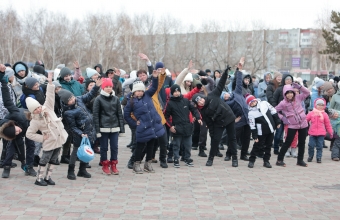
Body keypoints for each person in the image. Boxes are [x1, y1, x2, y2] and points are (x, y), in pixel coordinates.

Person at [26, 73, 68, 186]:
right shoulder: (34, 121)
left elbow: (50, 96)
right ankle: (39, 178)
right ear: (32, 111)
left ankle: (48, 177)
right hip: (49, 140)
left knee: (54, 159)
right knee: (45, 159)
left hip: (58, 138)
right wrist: (42, 138)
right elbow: (29, 134)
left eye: (38, 107)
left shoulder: (47, 107)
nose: (38, 110)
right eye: (35, 110)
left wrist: (50, 83)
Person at [192, 64, 238, 167]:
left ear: (203, 97)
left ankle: (234, 158)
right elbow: (209, 123)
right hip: (218, 123)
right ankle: (210, 159)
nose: (201, 102)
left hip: (228, 117)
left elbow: (221, 84)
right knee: (215, 140)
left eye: (201, 99)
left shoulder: (213, 95)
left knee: (232, 138)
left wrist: (225, 72)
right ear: (197, 104)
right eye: (198, 102)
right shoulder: (203, 112)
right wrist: (212, 134)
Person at [60, 78, 102, 180]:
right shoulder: (67, 112)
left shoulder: (79, 99)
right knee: (76, 152)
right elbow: (72, 127)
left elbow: (89, 95)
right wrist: (80, 133)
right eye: (69, 100)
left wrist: (96, 86)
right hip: (80, 134)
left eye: (72, 97)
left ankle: (82, 170)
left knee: (86, 150)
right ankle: (71, 171)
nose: (72, 99)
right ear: (65, 102)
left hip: (89, 131)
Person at [124, 70, 165, 174]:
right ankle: (136, 164)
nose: (140, 92)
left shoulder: (147, 95)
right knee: (140, 146)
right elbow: (126, 115)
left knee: (151, 146)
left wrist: (155, 78)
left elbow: (154, 88)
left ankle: (148, 163)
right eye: (138, 91)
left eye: (141, 90)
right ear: (133, 91)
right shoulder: (131, 102)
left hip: (153, 125)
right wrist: (134, 124)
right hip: (143, 127)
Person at [0, 64, 33, 178]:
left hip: (31, 121)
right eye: (17, 133)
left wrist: (3, 82)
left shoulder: (14, 113)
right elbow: (19, 144)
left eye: (17, 131)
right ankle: (7, 167)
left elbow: (7, 101)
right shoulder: (15, 132)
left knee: (30, 146)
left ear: (13, 126)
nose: (19, 132)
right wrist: (22, 160)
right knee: (13, 147)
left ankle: (29, 167)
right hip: (22, 127)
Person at [164, 84, 202, 168]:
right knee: (176, 145)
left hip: (187, 126)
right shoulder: (170, 103)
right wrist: (170, 126)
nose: (177, 93)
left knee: (188, 145)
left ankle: (187, 158)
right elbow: (165, 117)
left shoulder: (186, 101)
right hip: (176, 128)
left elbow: (194, 109)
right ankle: (176, 159)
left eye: (178, 91)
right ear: (172, 93)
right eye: (175, 92)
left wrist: (198, 117)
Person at [93, 78, 124, 175]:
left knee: (114, 147)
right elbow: (96, 115)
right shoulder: (98, 99)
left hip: (115, 127)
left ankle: (114, 164)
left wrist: (122, 129)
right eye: (106, 86)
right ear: (103, 87)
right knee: (104, 147)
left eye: (110, 86)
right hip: (103, 127)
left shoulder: (116, 99)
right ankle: (105, 164)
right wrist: (97, 130)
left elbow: (119, 114)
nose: (108, 88)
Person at [275, 82, 310, 167]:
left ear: (293, 93)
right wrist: (282, 118)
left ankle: (300, 160)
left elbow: (307, 93)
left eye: (291, 93)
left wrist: (300, 87)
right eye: (287, 93)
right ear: (285, 94)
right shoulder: (283, 103)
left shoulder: (298, 98)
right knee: (287, 142)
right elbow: (274, 110)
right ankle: (279, 160)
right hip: (292, 125)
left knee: (302, 142)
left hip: (303, 123)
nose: (290, 95)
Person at [246, 95, 281, 168]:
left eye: (253, 101)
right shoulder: (251, 113)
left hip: (270, 129)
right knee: (257, 146)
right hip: (261, 132)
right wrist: (255, 135)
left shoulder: (264, 103)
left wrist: (277, 122)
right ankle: (251, 160)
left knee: (268, 146)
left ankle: (266, 161)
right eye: (250, 103)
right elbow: (252, 125)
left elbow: (273, 111)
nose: (253, 103)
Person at [306, 98, 333, 163]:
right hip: (312, 133)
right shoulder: (312, 113)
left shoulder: (325, 114)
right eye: (319, 105)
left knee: (320, 146)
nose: (320, 106)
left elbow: (328, 124)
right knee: (311, 145)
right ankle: (310, 156)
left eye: (322, 105)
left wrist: (330, 132)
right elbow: (305, 120)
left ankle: (319, 157)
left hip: (321, 133)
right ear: (315, 105)